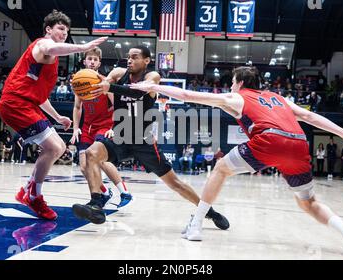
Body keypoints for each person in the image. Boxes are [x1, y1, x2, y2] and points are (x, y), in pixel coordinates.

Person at [131, 66, 343, 253]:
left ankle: (196, 225)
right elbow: (309, 116)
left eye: (233, 83)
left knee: (221, 168)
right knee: (308, 202)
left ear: (241, 83)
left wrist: (150, 87)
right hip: (298, 144)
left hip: (269, 141)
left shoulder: (239, 97)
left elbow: (186, 94)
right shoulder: (279, 98)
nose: (231, 87)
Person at [71, 45, 229, 230]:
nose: (129, 60)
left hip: (142, 140)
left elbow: (138, 92)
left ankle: (209, 212)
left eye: (135, 57)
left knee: (175, 183)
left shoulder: (152, 77)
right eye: (128, 57)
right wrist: (85, 83)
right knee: (91, 154)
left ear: (146, 60)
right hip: (120, 136)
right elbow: (100, 84)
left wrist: (110, 86)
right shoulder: (117, 73)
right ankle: (96, 204)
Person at [0, 9, 108, 220]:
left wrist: (58, 117)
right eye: (60, 28)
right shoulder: (42, 45)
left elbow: (40, 96)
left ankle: (29, 190)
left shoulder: (51, 59)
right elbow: (52, 46)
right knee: (55, 147)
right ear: (48, 29)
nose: (64, 33)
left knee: (59, 147)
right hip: (15, 104)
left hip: (27, 104)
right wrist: (83, 47)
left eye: (66, 30)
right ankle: (33, 196)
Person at [70, 47, 133, 208]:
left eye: (95, 59)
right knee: (84, 166)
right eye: (89, 59)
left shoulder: (105, 82)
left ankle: (124, 192)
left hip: (105, 124)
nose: (92, 62)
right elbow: (77, 108)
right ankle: (103, 193)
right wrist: (75, 128)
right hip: (87, 127)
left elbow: (117, 105)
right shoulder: (79, 83)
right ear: (84, 61)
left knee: (101, 159)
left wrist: (114, 126)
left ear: (99, 63)